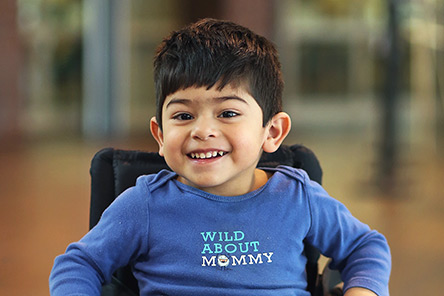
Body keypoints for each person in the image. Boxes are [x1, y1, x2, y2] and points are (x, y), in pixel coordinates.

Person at [50, 18, 391, 296]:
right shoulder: (144, 206)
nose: (203, 130)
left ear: (271, 132)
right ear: (160, 135)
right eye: (183, 116)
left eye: (227, 113)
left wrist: (363, 291)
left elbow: (366, 245)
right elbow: (78, 265)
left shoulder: (299, 198)